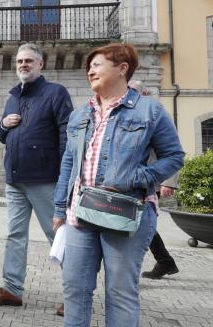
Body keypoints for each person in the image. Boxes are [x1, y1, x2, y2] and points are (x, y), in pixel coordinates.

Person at [52, 43, 184, 326]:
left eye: (97, 65)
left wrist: (138, 178)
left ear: (122, 69)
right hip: (80, 215)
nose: (90, 71)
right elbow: (68, 162)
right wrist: (59, 208)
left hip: (127, 213)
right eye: (89, 67)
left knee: (120, 292)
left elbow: (174, 156)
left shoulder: (150, 110)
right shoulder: (79, 115)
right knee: (75, 289)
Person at [0, 43, 73, 316]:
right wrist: (2, 125)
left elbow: (68, 135)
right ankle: (12, 290)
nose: (23, 65)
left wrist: (65, 177)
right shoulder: (12, 97)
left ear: (41, 64)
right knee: (14, 235)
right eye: (20, 61)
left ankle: (75, 294)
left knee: (58, 236)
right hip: (14, 180)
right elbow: (2, 135)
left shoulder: (56, 93)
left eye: (29, 61)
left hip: (45, 179)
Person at [129, 80, 180, 280]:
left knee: (138, 223)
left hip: (151, 180)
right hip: (133, 181)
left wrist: (169, 181)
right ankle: (165, 261)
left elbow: (172, 152)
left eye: (133, 91)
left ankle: (136, 271)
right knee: (138, 222)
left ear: (144, 93)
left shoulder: (156, 113)